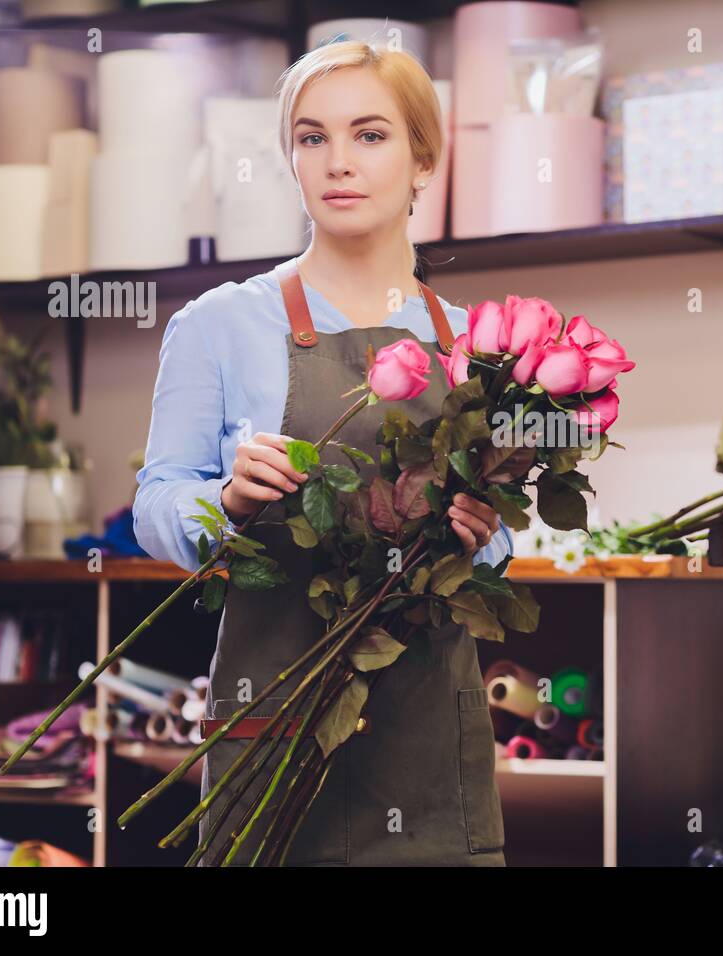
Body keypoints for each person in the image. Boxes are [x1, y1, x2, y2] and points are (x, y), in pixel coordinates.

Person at [132, 39, 512, 866]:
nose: (338, 161)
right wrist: (224, 503)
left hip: (428, 750)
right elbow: (155, 507)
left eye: (370, 135)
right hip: (277, 727)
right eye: (313, 138)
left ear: (423, 161)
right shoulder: (219, 325)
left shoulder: (474, 344)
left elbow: (500, 548)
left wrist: (488, 537)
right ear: (293, 159)